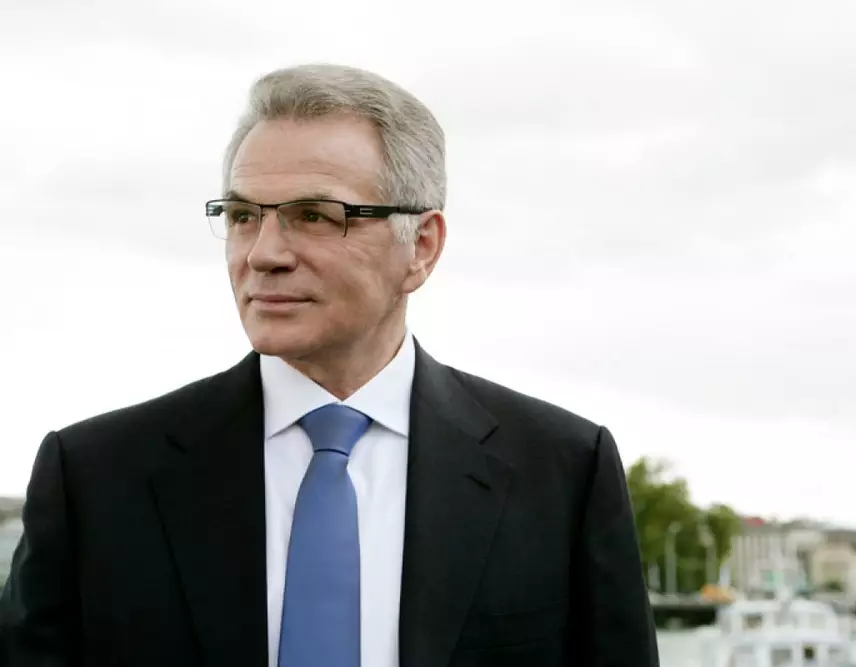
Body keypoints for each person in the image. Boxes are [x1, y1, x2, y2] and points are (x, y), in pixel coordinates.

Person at [0, 64, 658, 667]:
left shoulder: (562, 471)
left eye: (314, 215)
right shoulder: (96, 477)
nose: (263, 254)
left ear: (421, 247)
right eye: (242, 216)